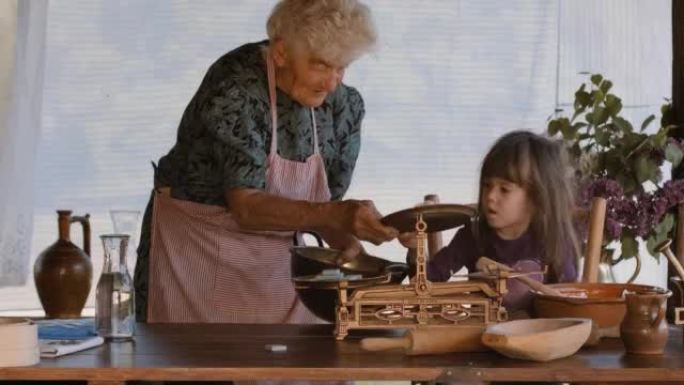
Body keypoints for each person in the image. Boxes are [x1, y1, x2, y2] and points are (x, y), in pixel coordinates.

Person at [134, 0, 398, 324]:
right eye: (320, 65)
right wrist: (337, 216)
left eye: (342, 67)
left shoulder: (343, 107)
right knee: (198, 367)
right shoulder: (236, 88)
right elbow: (246, 207)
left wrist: (351, 243)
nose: (332, 83)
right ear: (281, 52)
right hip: (194, 258)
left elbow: (322, 210)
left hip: (274, 266)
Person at [401, 130, 580, 315]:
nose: (491, 197)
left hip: (540, 338)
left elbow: (569, 303)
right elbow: (423, 284)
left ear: (537, 197)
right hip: (482, 337)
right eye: (487, 185)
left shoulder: (553, 240)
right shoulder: (472, 236)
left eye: (504, 189)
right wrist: (415, 249)